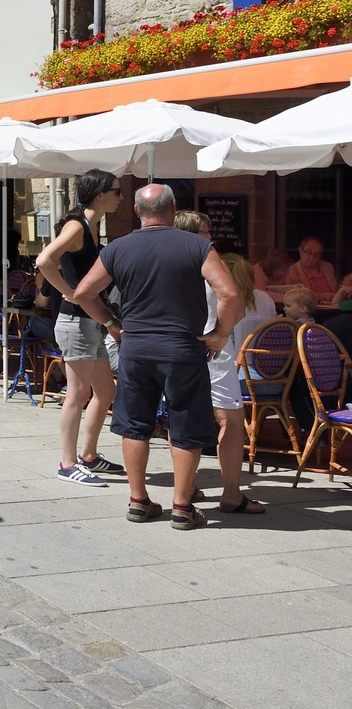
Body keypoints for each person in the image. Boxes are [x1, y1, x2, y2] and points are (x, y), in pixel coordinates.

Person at [71, 184, 241, 530]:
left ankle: (138, 501)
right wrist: (220, 333)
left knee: (135, 425)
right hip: (183, 349)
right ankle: (181, 505)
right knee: (186, 426)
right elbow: (229, 292)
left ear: (136, 211)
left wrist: (111, 323)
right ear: (173, 207)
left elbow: (83, 292)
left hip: (135, 350)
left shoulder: (118, 247)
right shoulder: (196, 245)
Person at [35, 170, 125, 488]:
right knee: (77, 393)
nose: (121, 197)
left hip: (90, 321)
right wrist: (70, 292)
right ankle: (67, 462)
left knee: (104, 391)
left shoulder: (93, 226)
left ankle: (88, 455)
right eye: (117, 192)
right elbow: (44, 260)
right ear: (100, 194)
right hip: (76, 321)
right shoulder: (77, 225)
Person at [204, 252, 272, 516]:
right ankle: (231, 492)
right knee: (230, 421)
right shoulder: (262, 298)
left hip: (240, 373)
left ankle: (184, 492)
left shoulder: (219, 297)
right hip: (264, 375)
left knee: (190, 418)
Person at [284, 236, 339, 303]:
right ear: (300, 251)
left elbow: (336, 289)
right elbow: (296, 297)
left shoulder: (327, 267)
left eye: (317, 254)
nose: (312, 257)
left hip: (334, 305)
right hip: (309, 309)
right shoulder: (293, 271)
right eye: (308, 252)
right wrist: (321, 296)